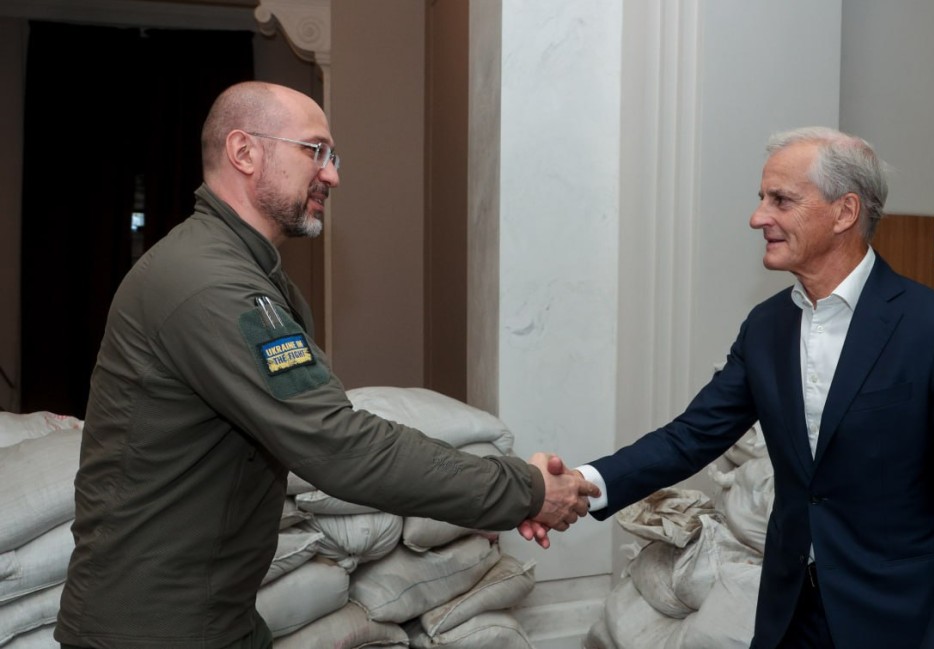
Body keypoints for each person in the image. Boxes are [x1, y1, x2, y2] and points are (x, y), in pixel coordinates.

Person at [55, 81, 598, 649]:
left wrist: (498, 494)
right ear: (244, 152)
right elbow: (340, 446)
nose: (332, 175)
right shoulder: (210, 283)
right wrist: (524, 490)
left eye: (333, 157)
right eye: (314, 151)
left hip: (216, 618)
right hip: (151, 631)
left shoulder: (253, 277)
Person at [522, 127, 934, 648]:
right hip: (789, 614)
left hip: (896, 618)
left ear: (844, 212)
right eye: (762, 198)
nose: (758, 217)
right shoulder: (767, 326)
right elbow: (691, 436)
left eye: (780, 200)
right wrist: (582, 482)